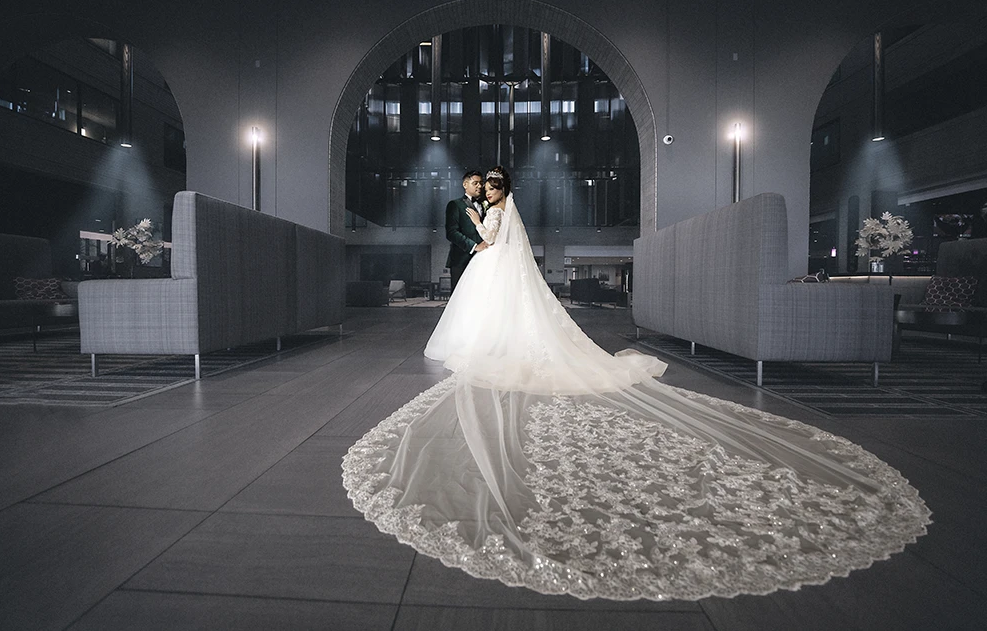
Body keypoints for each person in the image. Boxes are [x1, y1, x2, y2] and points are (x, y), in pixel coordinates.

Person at [344, 166, 931, 601]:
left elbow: (492, 241)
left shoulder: (494, 214)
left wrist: (477, 219)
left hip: (490, 262)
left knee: (503, 321)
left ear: (500, 191)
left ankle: (495, 347)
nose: (490, 192)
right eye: (487, 187)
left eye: (494, 188)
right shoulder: (498, 207)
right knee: (507, 315)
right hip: (491, 270)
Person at [444, 170, 487, 291]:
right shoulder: (455, 205)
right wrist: (474, 246)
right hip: (461, 260)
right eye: (475, 183)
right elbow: (451, 233)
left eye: (481, 183)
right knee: (459, 298)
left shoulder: (487, 204)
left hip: (484, 259)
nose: (480, 186)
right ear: (465, 185)